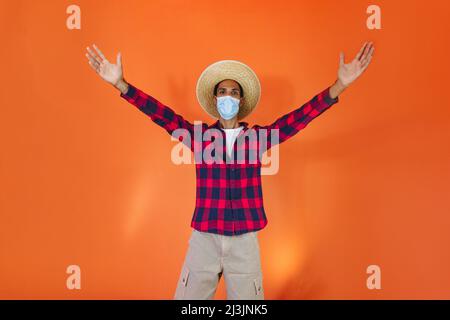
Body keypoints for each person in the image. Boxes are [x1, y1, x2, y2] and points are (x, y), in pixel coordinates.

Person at [85, 42, 375, 299]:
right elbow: (163, 116)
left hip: (245, 241)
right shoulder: (199, 138)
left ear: (240, 101)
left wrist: (338, 87)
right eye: (222, 92)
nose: (227, 96)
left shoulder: (258, 138)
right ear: (215, 100)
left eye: (233, 92)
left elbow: (297, 120)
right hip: (205, 237)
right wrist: (122, 85)